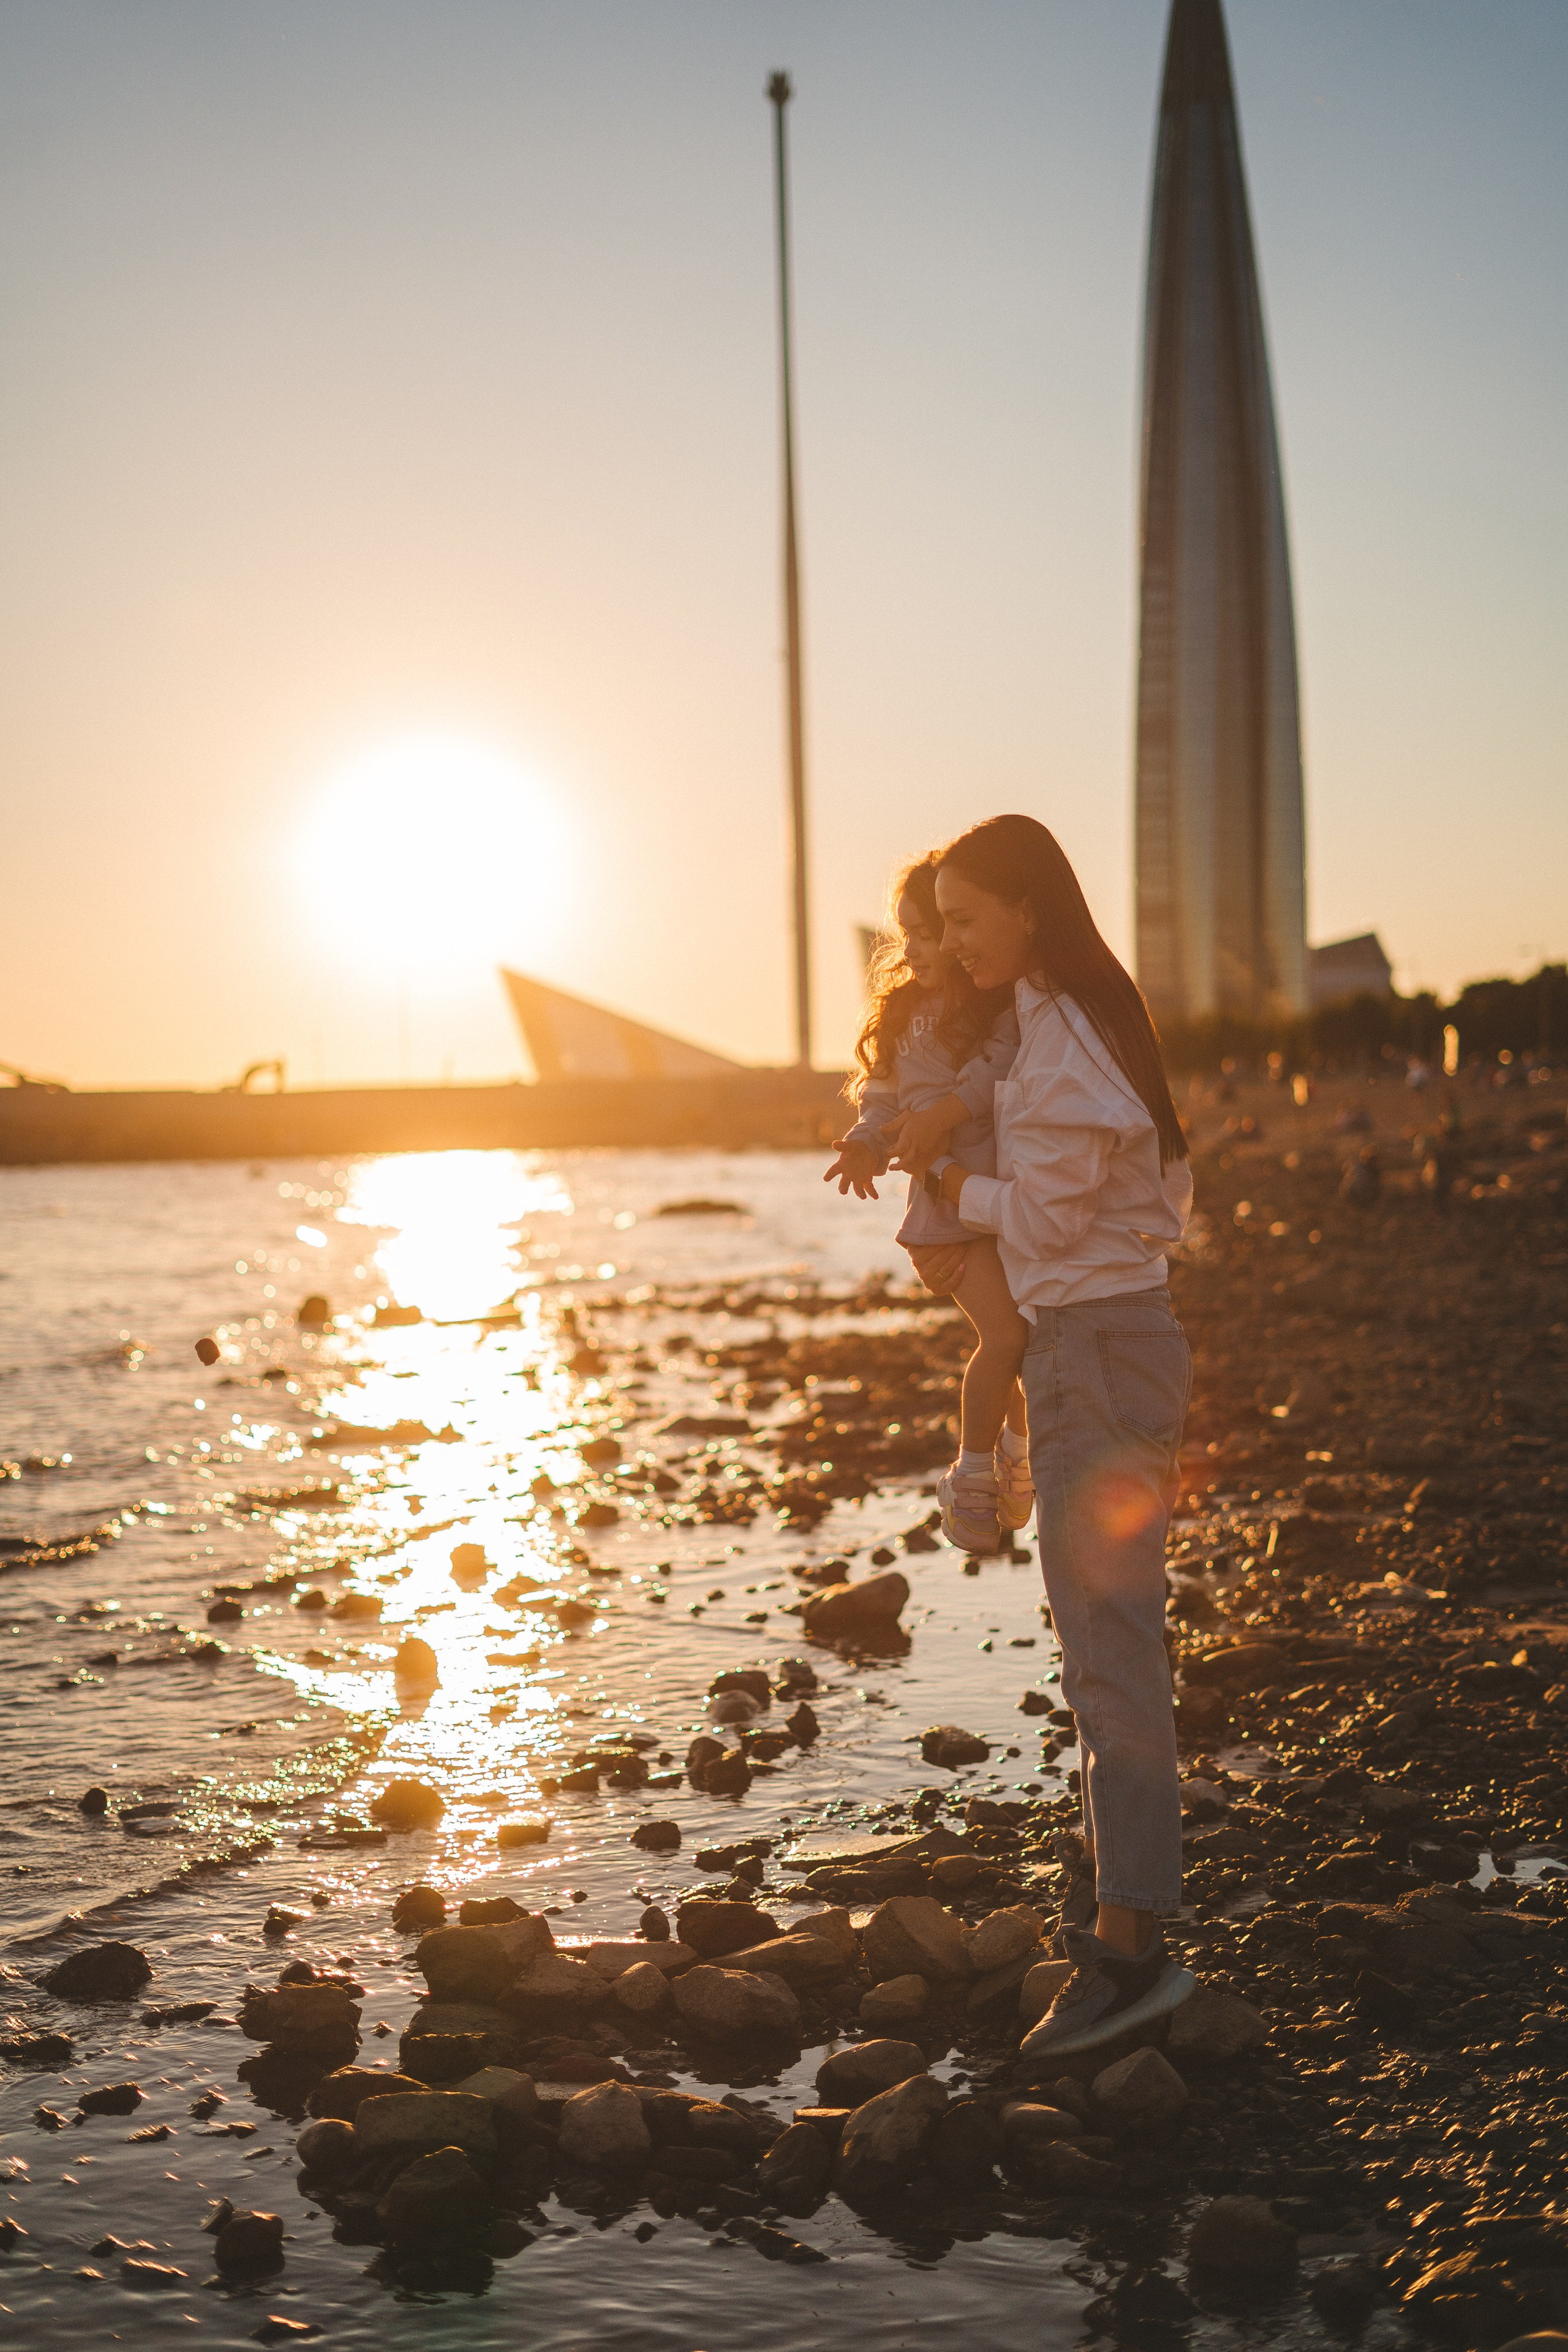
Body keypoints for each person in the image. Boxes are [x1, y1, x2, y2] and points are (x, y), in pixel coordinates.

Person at [892, 812, 1198, 2059]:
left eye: (964, 917)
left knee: (1107, 1654)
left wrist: (939, 1187)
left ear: (1028, 910)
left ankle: (1130, 1957)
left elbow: (1043, 1225)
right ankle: (1115, 1893)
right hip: (1095, 1347)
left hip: (1095, 1349)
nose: (945, 940)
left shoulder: (1066, 1043)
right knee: (1099, 1644)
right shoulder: (1053, 1026)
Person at [824, 853, 1031, 1551]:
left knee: (1020, 1344)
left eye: (926, 932)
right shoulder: (903, 1015)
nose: (910, 948)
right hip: (944, 1221)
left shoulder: (996, 1009)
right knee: (1004, 1338)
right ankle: (975, 1473)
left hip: (995, 1203)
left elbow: (990, 1077)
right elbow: (882, 1100)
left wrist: (940, 1115)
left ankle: (1013, 1452)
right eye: (903, 933)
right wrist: (862, 1143)